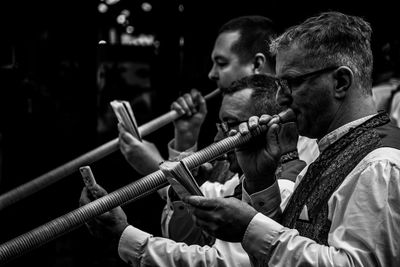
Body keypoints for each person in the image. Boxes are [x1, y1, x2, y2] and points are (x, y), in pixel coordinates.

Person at [183, 11, 400, 266]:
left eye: (291, 83)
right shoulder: (335, 152)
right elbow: (292, 242)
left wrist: (250, 227)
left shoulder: (379, 165)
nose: (280, 100)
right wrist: (260, 180)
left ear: (341, 82)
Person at [80, 74, 308, 267]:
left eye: (231, 124)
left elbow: (216, 261)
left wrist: (121, 235)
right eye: (221, 126)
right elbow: (183, 235)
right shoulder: (236, 183)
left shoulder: (286, 187)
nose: (219, 138)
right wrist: (182, 173)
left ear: (270, 126)